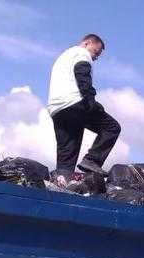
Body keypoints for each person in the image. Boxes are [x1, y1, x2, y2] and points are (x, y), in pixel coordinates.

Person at [47, 34, 121, 178]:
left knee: (67, 151)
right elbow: (82, 74)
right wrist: (91, 101)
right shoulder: (81, 53)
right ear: (87, 43)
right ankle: (92, 160)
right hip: (75, 103)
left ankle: (63, 178)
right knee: (112, 127)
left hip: (57, 109)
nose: (96, 57)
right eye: (96, 52)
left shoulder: (64, 56)